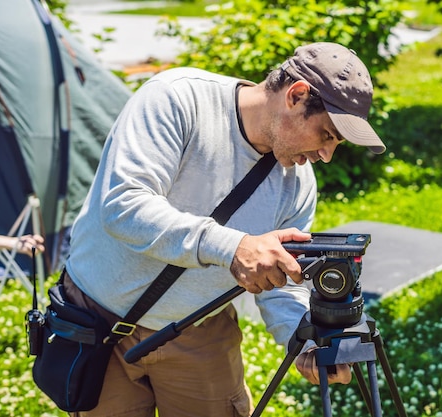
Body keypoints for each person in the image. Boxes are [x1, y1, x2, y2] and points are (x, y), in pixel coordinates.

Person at [62, 42, 386, 417]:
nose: (327, 155)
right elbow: (123, 205)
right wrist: (232, 247)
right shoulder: (177, 99)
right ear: (296, 96)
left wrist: (305, 343)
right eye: (327, 135)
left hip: (198, 331)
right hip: (99, 322)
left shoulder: (299, 184)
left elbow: (283, 281)